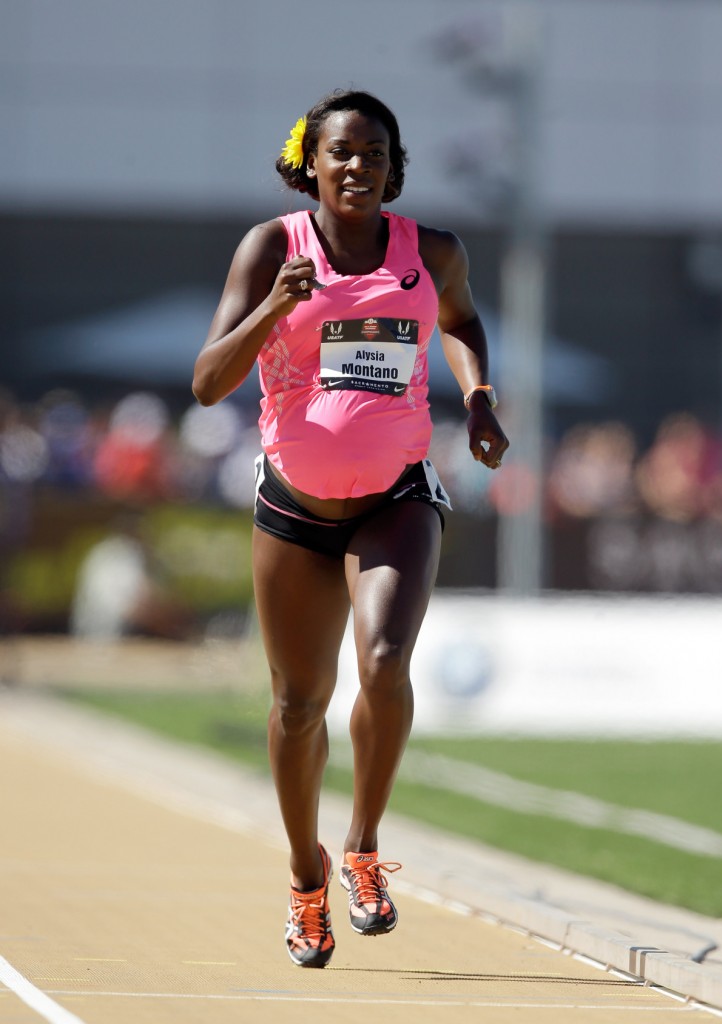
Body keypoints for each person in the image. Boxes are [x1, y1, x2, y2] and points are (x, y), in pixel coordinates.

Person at [192, 89, 508, 969]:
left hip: (395, 499)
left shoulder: (430, 251)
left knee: (383, 663)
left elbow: (463, 322)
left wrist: (478, 397)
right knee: (298, 705)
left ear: (393, 166)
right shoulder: (271, 247)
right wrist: (274, 306)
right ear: (313, 163)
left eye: (375, 152)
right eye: (342, 152)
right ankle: (307, 878)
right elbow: (208, 381)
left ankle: (364, 848)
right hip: (293, 506)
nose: (358, 166)